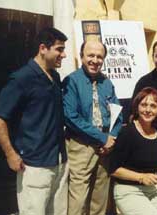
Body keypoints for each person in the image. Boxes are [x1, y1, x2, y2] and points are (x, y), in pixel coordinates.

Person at [0, 27, 68, 215]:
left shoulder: (55, 77)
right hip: (34, 165)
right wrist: (10, 154)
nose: (64, 55)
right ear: (43, 48)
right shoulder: (22, 78)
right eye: (59, 49)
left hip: (59, 162)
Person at [63, 40, 123, 215]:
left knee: (100, 197)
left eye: (99, 57)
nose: (95, 60)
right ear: (81, 56)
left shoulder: (107, 83)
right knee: (78, 199)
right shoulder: (72, 81)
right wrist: (102, 138)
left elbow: (118, 114)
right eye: (91, 55)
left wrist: (111, 138)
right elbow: (71, 117)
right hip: (81, 146)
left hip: (105, 149)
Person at [109, 87, 157, 215]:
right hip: (128, 190)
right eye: (144, 105)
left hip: (153, 190)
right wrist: (141, 177)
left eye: (153, 106)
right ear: (137, 108)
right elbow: (113, 169)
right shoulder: (128, 132)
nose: (148, 110)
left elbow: (156, 164)